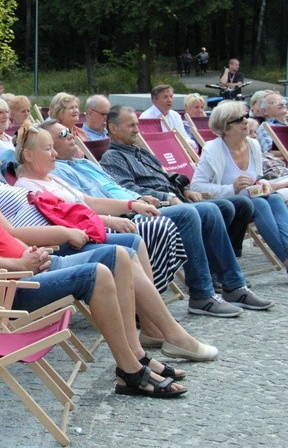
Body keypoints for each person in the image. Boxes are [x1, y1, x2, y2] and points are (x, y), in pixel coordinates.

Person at [0, 141, 188, 398]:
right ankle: (129, 371)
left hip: (32, 268)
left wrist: (28, 252)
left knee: (118, 255)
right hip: (13, 289)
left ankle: (137, 354)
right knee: (97, 274)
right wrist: (20, 264)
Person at [0, 131, 215, 361]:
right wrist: (66, 231)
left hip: (64, 236)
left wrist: (124, 208)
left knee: (130, 245)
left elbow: (73, 206)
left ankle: (151, 333)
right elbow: (11, 233)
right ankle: (159, 338)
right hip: (52, 247)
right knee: (123, 251)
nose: (0, 163)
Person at [46, 119, 263, 326]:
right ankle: (202, 294)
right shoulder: (59, 171)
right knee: (192, 214)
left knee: (215, 209)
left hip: (139, 203)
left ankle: (233, 284)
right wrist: (142, 202)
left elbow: (136, 184)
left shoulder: (85, 163)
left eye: (70, 131)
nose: (72, 135)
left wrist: (160, 195)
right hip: (122, 217)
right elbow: (88, 205)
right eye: (63, 134)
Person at [101, 106, 274, 314]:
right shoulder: (112, 158)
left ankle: (225, 279)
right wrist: (169, 197)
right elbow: (126, 190)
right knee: (208, 211)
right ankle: (204, 293)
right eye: (131, 125)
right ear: (113, 128)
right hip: (155, 209)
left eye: (137, 124)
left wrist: (185, 188)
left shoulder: (142, 152)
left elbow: (168, 177)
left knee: (234, 205)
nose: (137, 129)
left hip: (179, 200)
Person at [16, 123, 188, 299]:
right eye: (48, 149)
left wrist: (131, 204)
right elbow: (62, 220)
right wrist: (110, 220)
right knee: (151, 229)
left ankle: (148, 308)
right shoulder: (28, 188)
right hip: (77, 237)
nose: (55, 154)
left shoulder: (51, 179)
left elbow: (91, 202)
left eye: (53, 148)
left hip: (92, 226)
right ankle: (150, 309)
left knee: (146, 231)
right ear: (28, 155)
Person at [191, 100, 288, 273]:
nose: (246, 121)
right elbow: (196, 187)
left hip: (252, 198)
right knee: (261, 204)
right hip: (228, 204)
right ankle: (286, 261)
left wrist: (262, 184)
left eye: (245, 116)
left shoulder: (253, 145)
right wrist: (231, 188)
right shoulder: (213, 150)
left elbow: (257, 177)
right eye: (239, 119)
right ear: (226, 128)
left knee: (274, 198)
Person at [139, 85, 198, 151]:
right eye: (165, 97)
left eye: (171, 96)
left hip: (177, 150)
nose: (169, 100)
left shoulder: (175, 115)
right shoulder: (146, 118)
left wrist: (191, 144)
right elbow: (146, 143)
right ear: (154, 100)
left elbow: (184, 136)